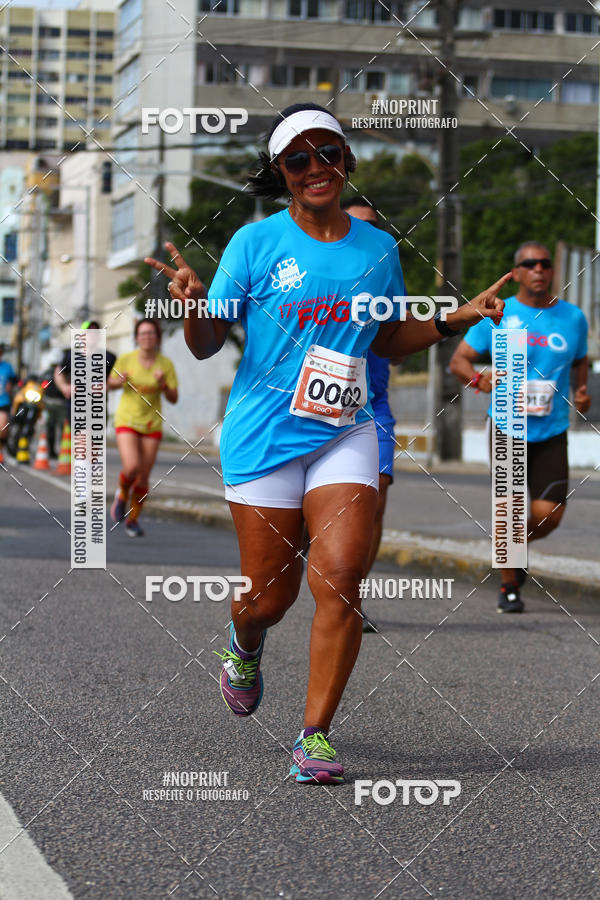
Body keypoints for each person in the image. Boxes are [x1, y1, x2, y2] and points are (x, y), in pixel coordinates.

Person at [145, 102, 509, 784]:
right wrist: (195, 305)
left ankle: (314, 736)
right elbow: (203, 346)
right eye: (299, 159)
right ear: (281, 173)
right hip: (264, 437)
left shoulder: (377, 250)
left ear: (347, 159)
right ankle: (243, 643)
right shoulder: (255, 245)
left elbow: (385, 336)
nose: (316, 168)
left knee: (341, 579)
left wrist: (454, 318)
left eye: (328, 153)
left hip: (346, 429)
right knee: (269, 599)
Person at [450, 241, 591, 613]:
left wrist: (581, 389)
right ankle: (509, 586)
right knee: (510, 510)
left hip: (551, 428)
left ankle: (513, 548)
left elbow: (580, 359)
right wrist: (479, 381)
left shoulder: (573, 317)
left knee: (549, 514)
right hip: (507, 425)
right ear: (517, 271)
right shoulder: (501, 312)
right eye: (531, 264)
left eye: (545, 264)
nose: (540, 270)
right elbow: (460, 362)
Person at [341, 197, 399, 633]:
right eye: (358, 225)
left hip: (371, 407)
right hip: (315, 407)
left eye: (376, 226)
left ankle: (352, 598)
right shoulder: (320, 273)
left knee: (374, 501)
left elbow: (403, 332)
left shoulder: (385, 274)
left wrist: (451, 319)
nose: (370, 234)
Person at [107, 318, 178, 537]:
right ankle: (121, 495)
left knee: (144, 476)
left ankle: (133, 520)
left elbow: (174, 397)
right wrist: (119, 382)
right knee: (132, 467)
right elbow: (108, 385)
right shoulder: (126, 360)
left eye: (151, 333)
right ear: (137, 338)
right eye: (143, 333)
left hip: (152, 423)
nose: (147, 337)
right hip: (127, 420)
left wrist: (163, 384)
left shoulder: (165, 365)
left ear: (157, 338)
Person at [54, 320, 116, 430]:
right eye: (89, 332)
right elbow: (58, 373)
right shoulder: (70, 356)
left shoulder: (109, 357)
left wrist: (108, 386)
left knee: (94, 445)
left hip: (98, 408)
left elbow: (118, 379)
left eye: (96, 332)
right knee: (83, 440)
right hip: (77, 407)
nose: (92, 334)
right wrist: (64, 387)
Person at [0, 342, 16, 464]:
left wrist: (11, 384)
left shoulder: (7, 367)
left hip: (3, 402)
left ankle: (1, 451)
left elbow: (16, 380)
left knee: (3, 427)